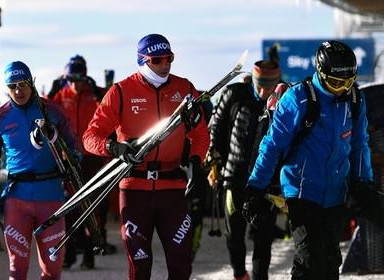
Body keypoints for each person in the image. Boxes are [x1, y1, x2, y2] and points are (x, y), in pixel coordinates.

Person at [82, 33, 209, 279]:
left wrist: (196, 161)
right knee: (140, 265)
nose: (165, 65)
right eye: (157, 60)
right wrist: (114, 148)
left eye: (169, 58)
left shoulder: (185, 89)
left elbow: (201, 135)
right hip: (135, 189)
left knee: (181, 263)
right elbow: (90, 136)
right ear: (142, 60)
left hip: (173, 187)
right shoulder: (121, 91)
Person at [243, 40, 374, 279]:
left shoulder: (354, 100)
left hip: (336, 194)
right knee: (308, 260)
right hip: (302, 193)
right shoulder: (299, 99)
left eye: (348, 82)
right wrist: (254, 188)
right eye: (336, 83)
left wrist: (363, 182)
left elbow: (359, 144)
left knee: (330, 260)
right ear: (321, 74)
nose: (343, 89)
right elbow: (272, 146)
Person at [0, 61, 79, 279]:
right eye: (12, 86)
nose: (18, 90)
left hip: (52, 198)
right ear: (6, 88)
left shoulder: (52, 111)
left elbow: (74, 147)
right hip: (17, 200)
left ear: (32, 83)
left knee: (52, 271)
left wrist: (71, 162)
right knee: (17, 269)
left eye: (23, 84)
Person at [206, 60, 285, 280]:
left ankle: (261, 277)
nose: (263, 92)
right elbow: (216, 132)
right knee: (234, 233)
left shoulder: (285, 99)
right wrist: (215, 165)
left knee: (264, 235)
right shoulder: (234, 94)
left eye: (268, 88)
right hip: (234, 176)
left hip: (268, 182)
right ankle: (239, 273)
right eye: (259, 86)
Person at [51, 58, 116, 269]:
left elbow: (110, 106)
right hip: (68, 157)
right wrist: (53, 91)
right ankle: (69, 255)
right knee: (69, 207)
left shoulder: (94, 94)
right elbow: (45, 111)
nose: (74, 84)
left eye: (78, 79)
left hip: (92, 157)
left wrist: (97, 91)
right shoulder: (61, 95)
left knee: (92, 208)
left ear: (85, 77)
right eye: (70, 79)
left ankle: (90, 254)